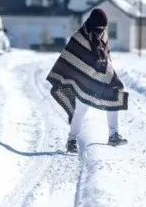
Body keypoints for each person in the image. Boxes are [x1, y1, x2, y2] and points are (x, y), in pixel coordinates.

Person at [46, 8, 129, 153]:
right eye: (99, 27)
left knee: (114, 97)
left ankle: (113, 135)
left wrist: (108, 70)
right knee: (80, 110)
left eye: (103, 27)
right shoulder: (79, 37)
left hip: (103, 77)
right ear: (92, 23)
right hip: (83, 79)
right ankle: (71, 141)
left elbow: (106, 55)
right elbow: (70, 58)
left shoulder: (103, 34)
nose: (101, 30)